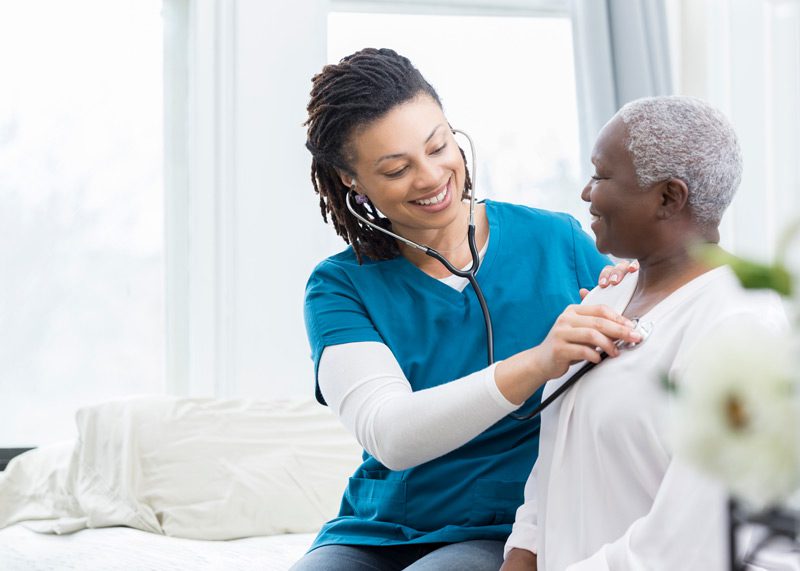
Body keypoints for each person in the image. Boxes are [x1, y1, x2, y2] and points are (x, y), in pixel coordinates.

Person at [293, 48, 640, 571]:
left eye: (439, 146)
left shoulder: (556, 241)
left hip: (506, 528)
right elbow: (393, 435)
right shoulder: (340, 286)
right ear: (352, 182)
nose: (432, 177)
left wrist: (630, 296)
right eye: (396, 169)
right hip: (377, 533)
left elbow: (643, 356)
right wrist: (540, 361)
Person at [501, 96, 788, 571]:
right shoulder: (604, 298)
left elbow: (689, 544)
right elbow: (557, 460)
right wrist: (522, 553)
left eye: (601, 175)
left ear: (668, 198)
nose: (586, 193)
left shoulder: (741, 325)